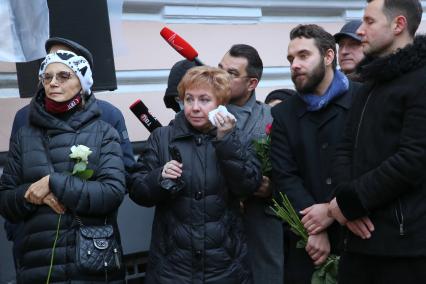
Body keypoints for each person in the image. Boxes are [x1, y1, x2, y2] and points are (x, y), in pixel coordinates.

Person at [3, 37, 135, 273]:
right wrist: (20, 225)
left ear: (82, 78)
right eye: (48, 72)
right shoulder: (25, 123)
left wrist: (56, 184)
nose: (54, 80)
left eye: (65, 72)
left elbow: (118, 185)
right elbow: (7, 194)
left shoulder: (106, 121)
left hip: (89, 248)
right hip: (36, 254)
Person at [128, 66, 261, 283]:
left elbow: (248, 185)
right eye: (189, 99)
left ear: (220, 104)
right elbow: (136, 189)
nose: (195, 107)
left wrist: (225, 140)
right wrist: (159, 177)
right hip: (172, 268)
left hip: (225, 266)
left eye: (204, 100)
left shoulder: (237, 137)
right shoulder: (162, 137)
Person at [328, 0, 426, 283]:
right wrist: (346, 206)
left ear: (398, 25)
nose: (360, 30)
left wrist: (351, 202)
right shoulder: (369, 84)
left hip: (404, 249)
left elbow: (413, 158)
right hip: (357, 242)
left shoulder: (420, 80)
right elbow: (345, 148)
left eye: (369, 22)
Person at [270, 24, 360, 283]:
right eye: (290, 59)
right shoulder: (283, 114)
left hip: (359, 231)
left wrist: (330, 211)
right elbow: (284, 176)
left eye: (303, 55)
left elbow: (369, 163)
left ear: (329, 56)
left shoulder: (364, 99)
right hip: (308, 244)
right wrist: (313, 228)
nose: (294, 65)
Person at [219, 44, 284, 284]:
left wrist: (272, 187)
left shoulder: (273, 117)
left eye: (232, 73)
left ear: (252, 83)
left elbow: (294, 171)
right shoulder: (201, 114)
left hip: (261, 230)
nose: (222, 77)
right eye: (220, 68)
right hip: (216, 230)